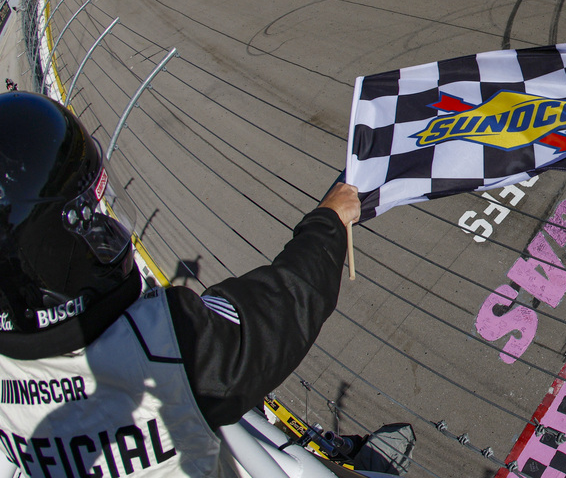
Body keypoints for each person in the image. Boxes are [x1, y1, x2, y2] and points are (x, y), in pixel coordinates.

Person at [0, 91, 360, 478]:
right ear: (43, 247)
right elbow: (279, 310)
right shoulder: (160, 344)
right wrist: (330, 220)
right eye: (87, 217)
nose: (103, 229)